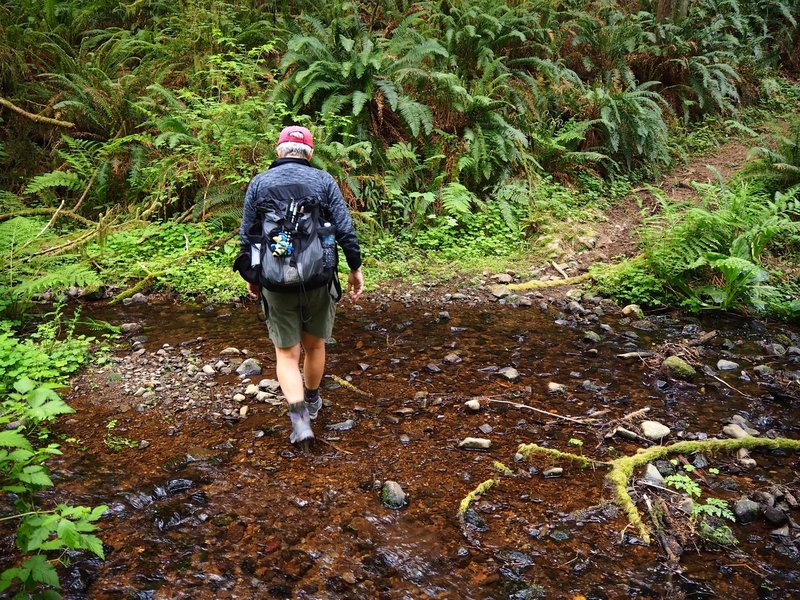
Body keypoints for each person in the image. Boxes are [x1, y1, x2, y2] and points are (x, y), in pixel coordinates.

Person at [239, 125, 364, 446]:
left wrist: (254, 277)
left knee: (286, 354)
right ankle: (312, 400)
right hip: (319, 277)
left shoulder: (259, 184)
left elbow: (248, 236)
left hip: (275, 280)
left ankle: (299, 421)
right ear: (309, 153)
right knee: (315, 346)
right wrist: (355, 267)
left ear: (279, 150)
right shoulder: (323, 181)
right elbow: (345, 229)